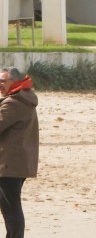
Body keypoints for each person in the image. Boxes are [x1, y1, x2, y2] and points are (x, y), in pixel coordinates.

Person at [0, 67, 38, 238]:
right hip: (14, 163)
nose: (0, 85)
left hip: (8, 165)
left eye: (2, 81)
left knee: (11, 209)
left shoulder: (14, 103)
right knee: (11, 207)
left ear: (14, 82)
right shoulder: (23, 99)